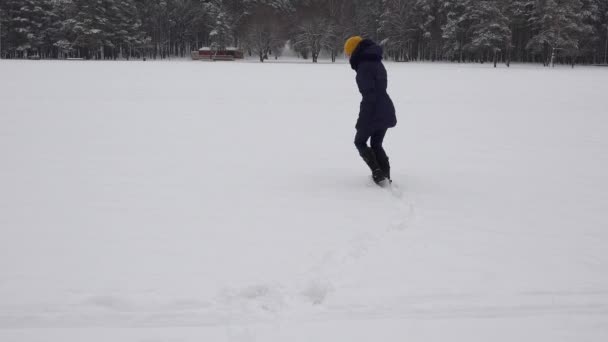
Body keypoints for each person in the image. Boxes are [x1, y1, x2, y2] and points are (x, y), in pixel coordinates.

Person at [344, 36, 397, 186]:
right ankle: (385, 174)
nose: (348, 57)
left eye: (348, 54)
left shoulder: (363, 67)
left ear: (355, 52)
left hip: (373, 110)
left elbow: (369, 96)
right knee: (376, 144)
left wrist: (362, 119)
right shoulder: (376, 62)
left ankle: (377, 172)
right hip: (386, 107)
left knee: (359, 141)